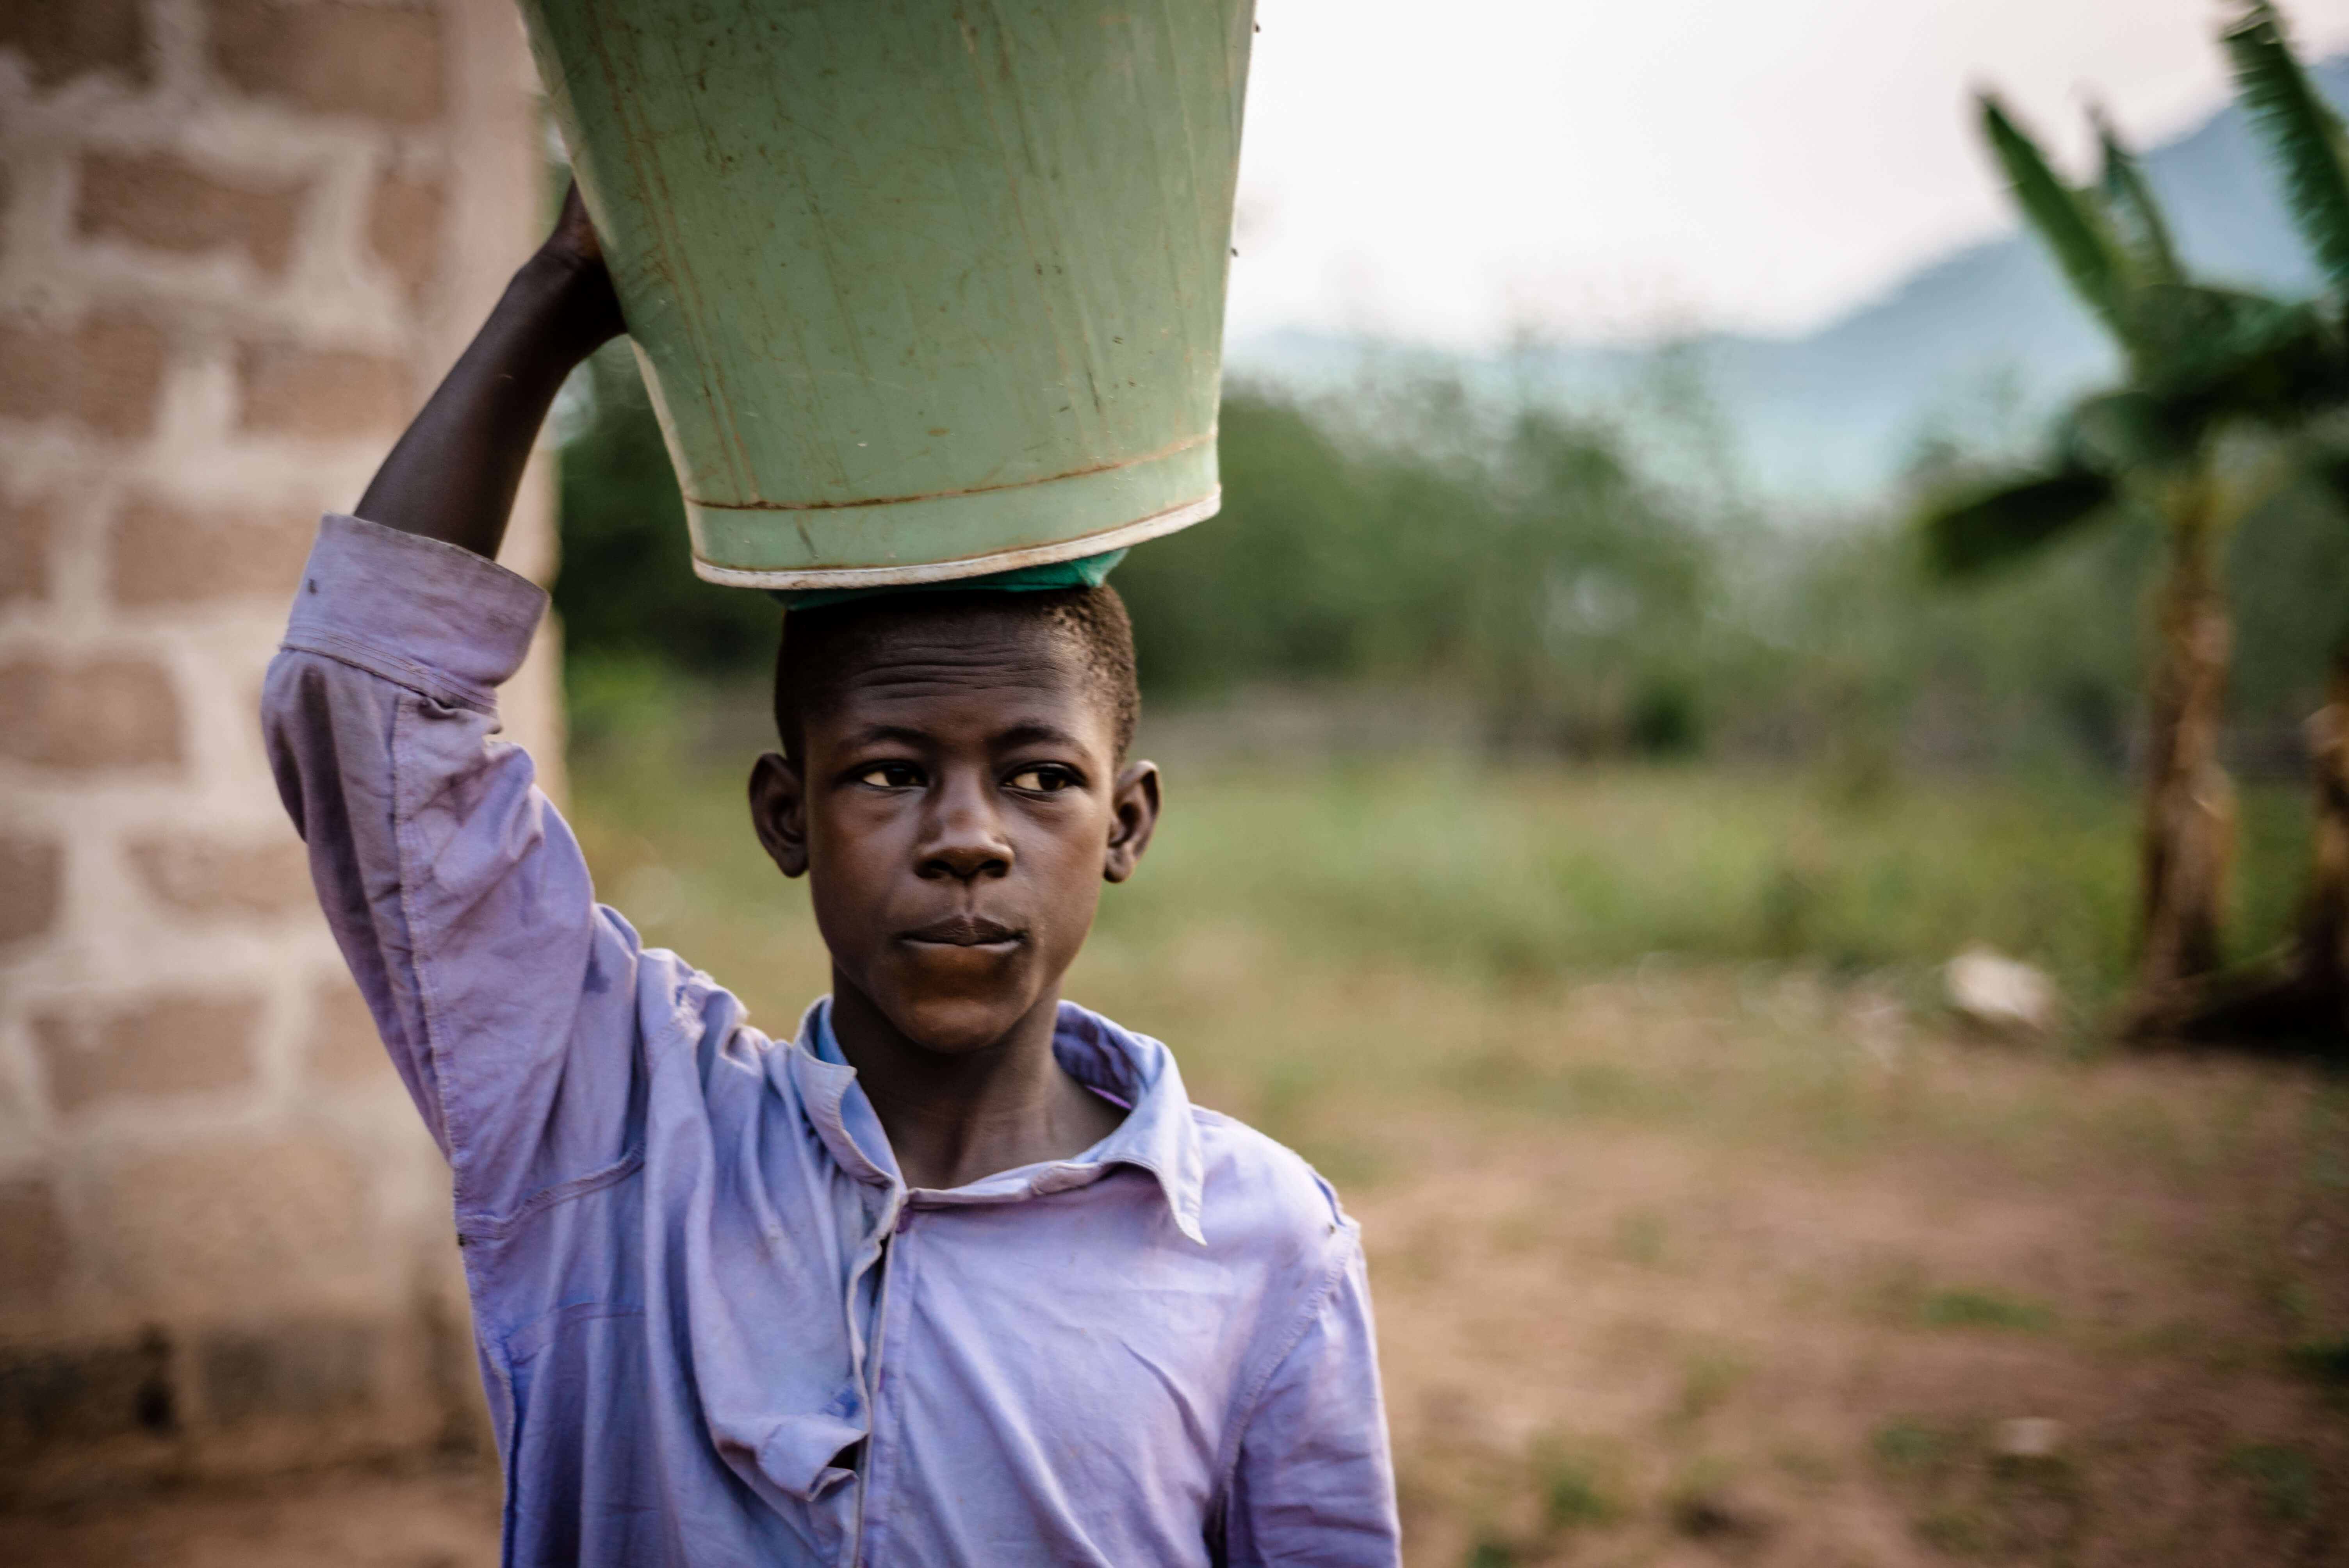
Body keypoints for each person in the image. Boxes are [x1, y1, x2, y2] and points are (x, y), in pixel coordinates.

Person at [261, 188, 1400, 1567]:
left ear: (1128, 825)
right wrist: (567, 285)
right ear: (784, 813)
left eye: (1042, 779)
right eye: (889, 772)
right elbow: (362, 698)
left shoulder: (1263, 1245)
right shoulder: (619, 1127)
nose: (967, 836)